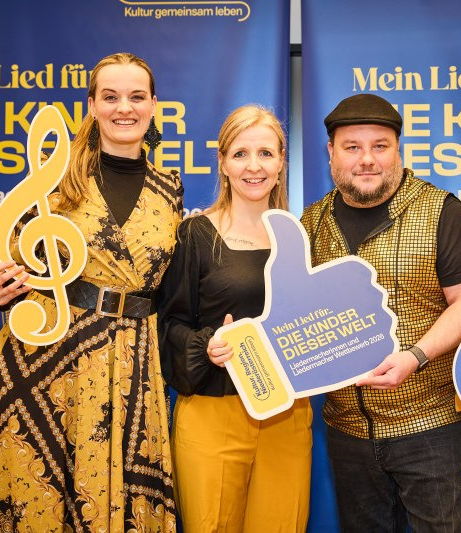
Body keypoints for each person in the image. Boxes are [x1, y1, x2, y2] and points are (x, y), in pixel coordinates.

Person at [0, 53, 182, 531]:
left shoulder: (171, 190)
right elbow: (14, 259)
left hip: (130, 364)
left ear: (153, 105)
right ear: (92, 105)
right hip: (48, 358)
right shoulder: (55, 179)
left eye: (136, 96)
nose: (124, 108)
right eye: (110, 96)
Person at [300, 93, 461, 532]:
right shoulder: (311, 223)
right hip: (347, 431)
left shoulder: (441, 210)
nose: (367, 159)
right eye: (352, 147)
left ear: (398, 150)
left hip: (431, 425)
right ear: (331, 152)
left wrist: (415, 356)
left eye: (380, 146)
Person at [158, 105, 312, 532]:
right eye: (241, 154)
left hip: (286, 414)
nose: (253, 166)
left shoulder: (298, 236)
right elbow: (168, 325)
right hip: (213, 413)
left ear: (281, 164)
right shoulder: (194, 235)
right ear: (223, 163)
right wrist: (206, 346)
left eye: (266, 153)